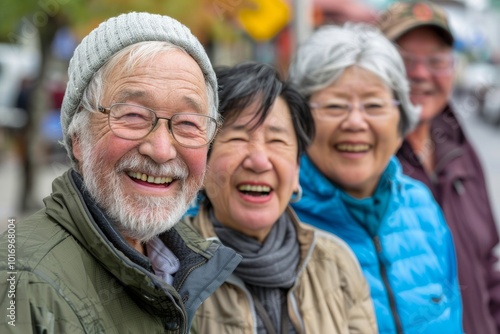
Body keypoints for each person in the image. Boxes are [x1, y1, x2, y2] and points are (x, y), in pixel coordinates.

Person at [0, 12, 241, 333]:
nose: (161, 150)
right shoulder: (23, 283)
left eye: (187, 123)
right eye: (133, 115)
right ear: (77, 137)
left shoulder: (190, 264)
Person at [288, 24, 463, 333]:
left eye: (374, 105)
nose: (355, 121)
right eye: (335, 105)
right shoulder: (274, 221)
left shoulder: (422, 204)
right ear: (299, 120)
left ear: (401, 121)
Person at [184, 62, 378, 333]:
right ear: (202, 164)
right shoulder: (172, 268)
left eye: (277, 141)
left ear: (297, 170)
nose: (259, 161)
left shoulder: (336, 262)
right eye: (238, 138)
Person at [377, 2, 500, 333]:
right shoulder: (367, 158)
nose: (420, 74)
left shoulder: (457, 144)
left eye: (436, 62)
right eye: (405, 61)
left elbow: (486, 262)